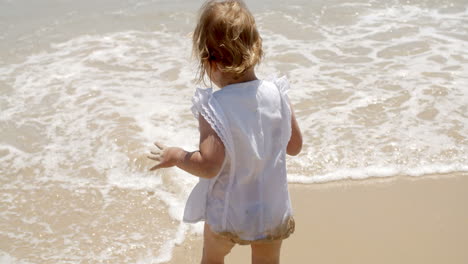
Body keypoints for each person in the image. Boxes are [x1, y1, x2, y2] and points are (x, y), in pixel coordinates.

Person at [147, 0, 302, 263]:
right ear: (256, 46)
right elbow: (294, 146)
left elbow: (208, 166)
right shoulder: (277, 94)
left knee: (212, 259)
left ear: (209, 60)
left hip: (229, 213)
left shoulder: (214, 107)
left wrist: (175, 155)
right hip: (272, 212)